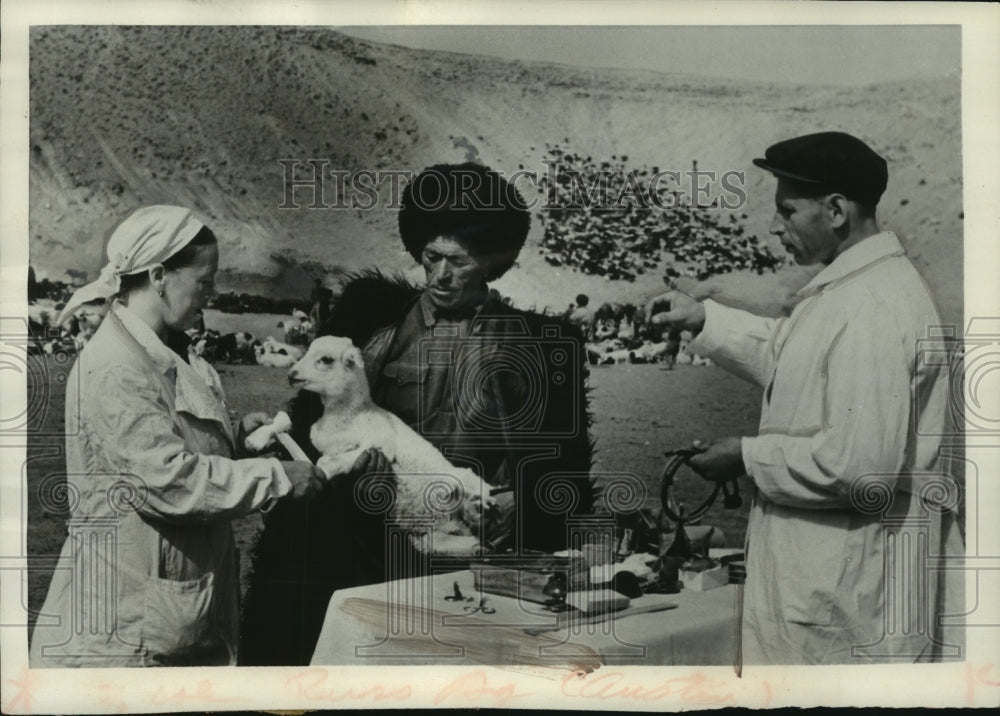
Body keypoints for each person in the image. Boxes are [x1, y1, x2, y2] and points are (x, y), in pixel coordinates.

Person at [241, 162, 595, 665]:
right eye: (432, 257)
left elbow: (565, 476)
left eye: (460, 259)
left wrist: (520, 504)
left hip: (462, 559)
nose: (442, 275)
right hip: (355, 549)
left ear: (494, 262)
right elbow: (310, 429)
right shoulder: (368, 323)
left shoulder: (541, 348)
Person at [647, 132, 963, 664]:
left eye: (786, 209)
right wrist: (704, 318)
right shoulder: (853, 289)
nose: (774, 225)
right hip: (831, 591)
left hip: (846, 605)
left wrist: (745, 457)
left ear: (836, 209)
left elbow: (860, 467)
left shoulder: (872, 308)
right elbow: (791, 358)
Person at [28, 205, 332, 668]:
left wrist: (231, 436)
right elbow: (166, 481)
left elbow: (164, 441)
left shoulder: (167, 350)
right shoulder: (115, 366)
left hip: (169, 606)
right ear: (158, 275)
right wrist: (277, 477)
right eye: (205, 281)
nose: (210, 295)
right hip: (126, 624)